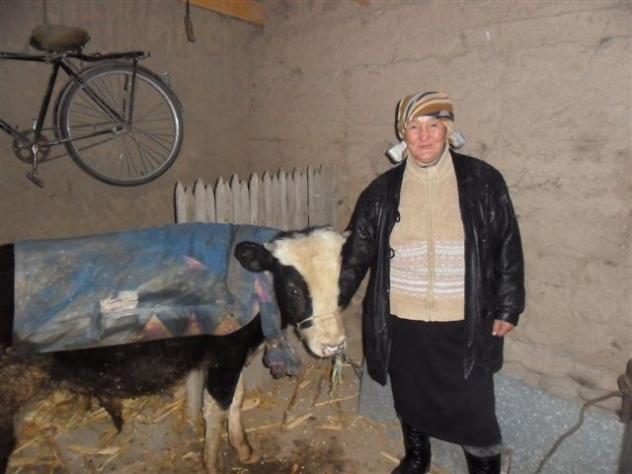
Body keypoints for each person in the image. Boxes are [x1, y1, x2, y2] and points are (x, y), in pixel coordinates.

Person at [338, 91, 525, 474]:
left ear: (448, 131)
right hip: (402, 318)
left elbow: (507, 243)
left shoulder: (483, 181)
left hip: (464, 319)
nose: (423, 136)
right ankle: (417, 457)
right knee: (410, 397)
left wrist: (509, 306)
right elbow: (355, 255)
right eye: (414, 127)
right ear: (402, 133)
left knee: (476, 412)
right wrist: (328, 305)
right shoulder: (381, 191)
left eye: (433, 126)